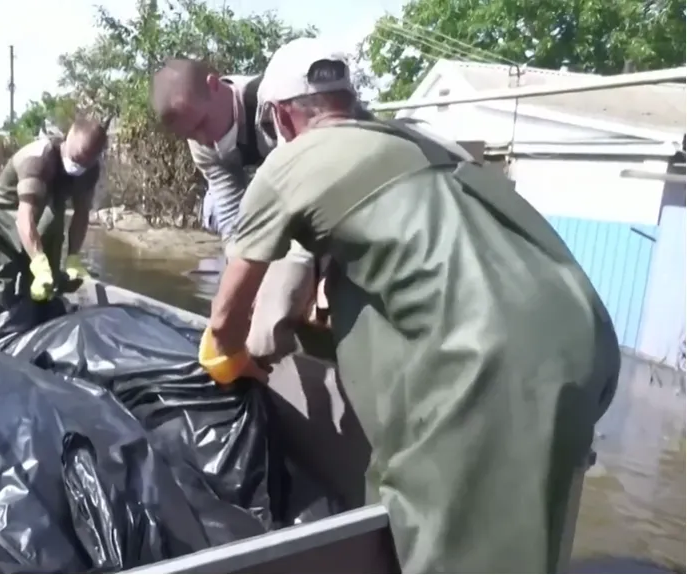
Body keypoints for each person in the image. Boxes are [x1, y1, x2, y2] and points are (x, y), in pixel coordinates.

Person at [198, 38, 620, 573]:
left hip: (485, 354)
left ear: (281, 116)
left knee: (434, 535)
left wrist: (228, 358)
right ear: (346, 101)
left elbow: (228, 316)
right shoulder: (410, 141)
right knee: (534, 538)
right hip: (582, 331)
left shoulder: (289, 164)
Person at [152, 59, 356, 362]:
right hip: (282, 211)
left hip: (340, 201)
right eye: (191, 135)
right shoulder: (202, 145)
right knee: (260, 334)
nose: (203, 139)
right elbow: (235, 224)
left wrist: (324, 273)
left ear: (214, 85)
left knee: (320, 305)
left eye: (202, 125)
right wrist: (242, 292)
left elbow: (326, 188)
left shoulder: (278, 105)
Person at [0, 116, 108, 309]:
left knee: (46, 293)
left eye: (87, 163)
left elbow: (81, 214)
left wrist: (73, 257)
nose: (80, 167)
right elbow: (24, 219)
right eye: (78, 159)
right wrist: (39, 262)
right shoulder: (37, 159)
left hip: (41, 222)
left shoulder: (90, 170)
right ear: (68, 139)